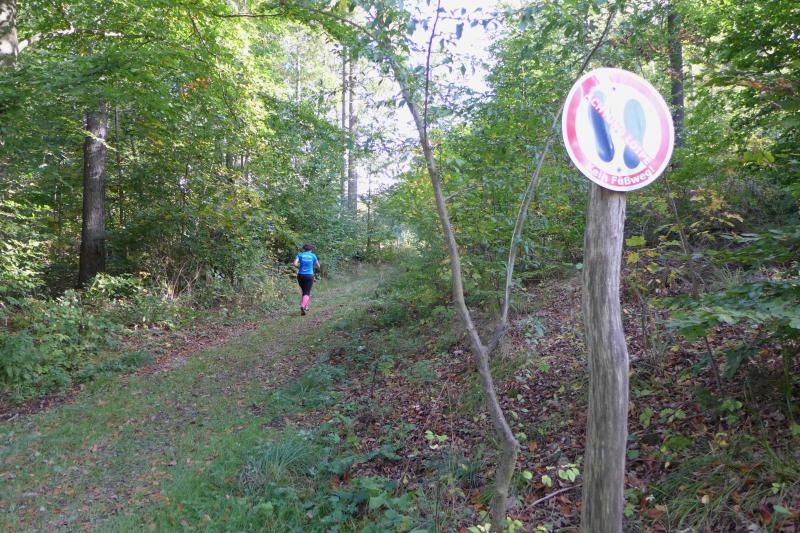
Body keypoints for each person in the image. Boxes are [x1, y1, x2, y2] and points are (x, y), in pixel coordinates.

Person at [293, 243, 320, 315]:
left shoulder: (300, 255)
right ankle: (302, 305)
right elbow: (318, 266)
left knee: (304, 291)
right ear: (311, 249)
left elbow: (295, 263)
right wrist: (312, 266)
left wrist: (299, 266)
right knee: (307, 292)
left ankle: (306, 306)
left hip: (300, 275)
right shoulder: (313, 255)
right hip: (309, 275)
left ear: (304, 249)